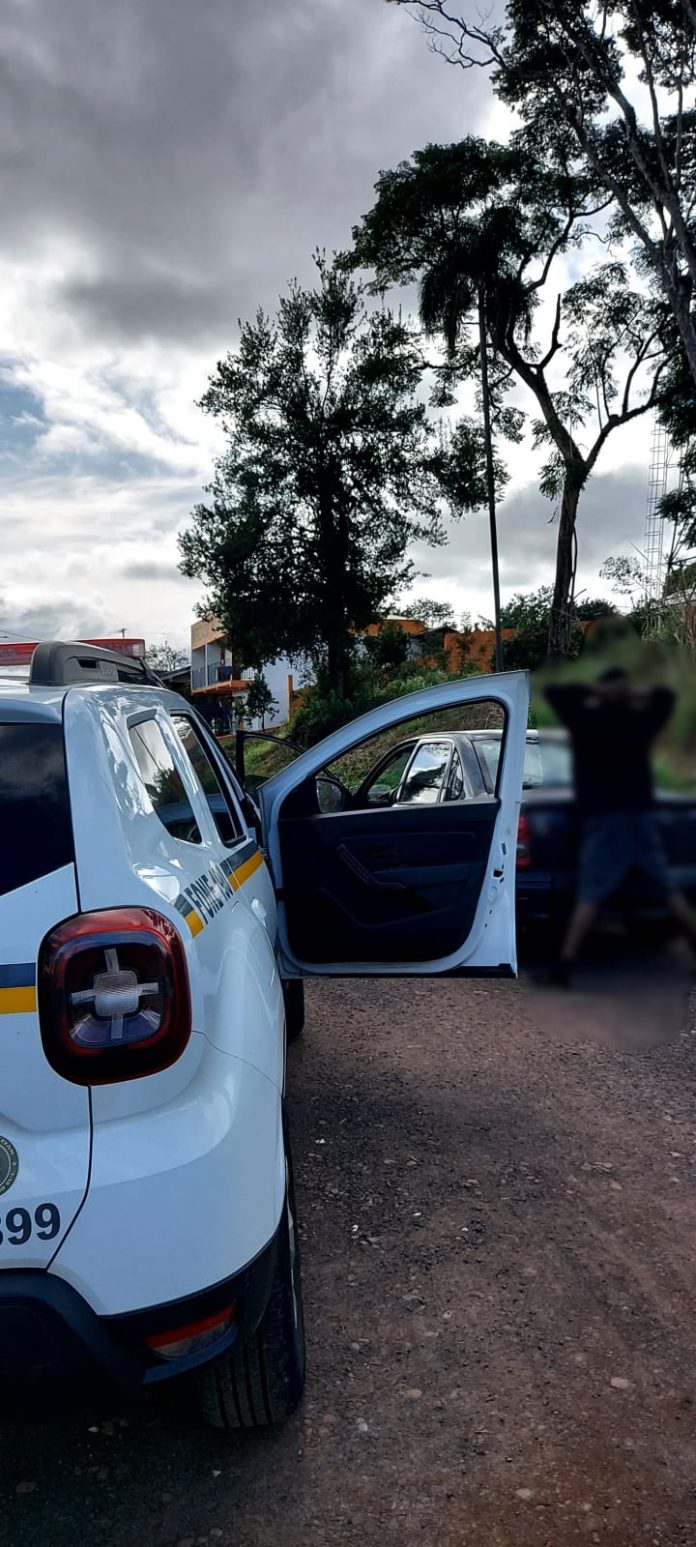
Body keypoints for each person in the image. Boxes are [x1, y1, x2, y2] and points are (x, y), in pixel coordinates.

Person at [545, 668, 696, 986]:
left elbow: (556, 693)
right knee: (666, 887)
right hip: (639, 818)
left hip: (605, 821)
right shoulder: (638, 722)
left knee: (591, 892)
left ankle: (564, 965)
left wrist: (594, 691)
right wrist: (634, 692)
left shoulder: (587, 721)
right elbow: (665, 698)